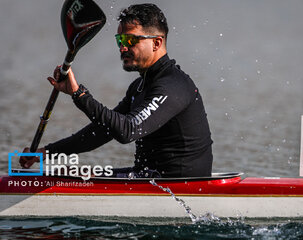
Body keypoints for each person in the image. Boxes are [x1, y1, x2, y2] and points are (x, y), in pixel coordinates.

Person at [20, 3, 213, 178]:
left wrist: (79, 94)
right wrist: (48, 152)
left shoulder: (173, 86)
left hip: (181, 184)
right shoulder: (139, 87)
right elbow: (102, 132)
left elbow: (127, 131)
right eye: (120, 40)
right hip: (149, 177)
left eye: (130, 40)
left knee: (73, 176)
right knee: (68, 172)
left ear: (156, 43)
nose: (122, 48)